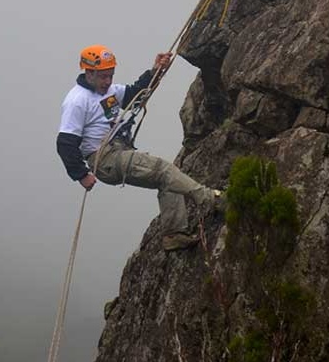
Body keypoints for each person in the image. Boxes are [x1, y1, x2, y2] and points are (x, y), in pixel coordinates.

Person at [56, 44, 222, 251]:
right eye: (103, 77)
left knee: (167, 179)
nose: (107, 82)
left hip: (120, 151)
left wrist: (156, 70)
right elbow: (65, 143)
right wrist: (81, 174)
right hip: (105, 158)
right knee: (163, 169)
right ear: (89, 72)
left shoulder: (110, 91)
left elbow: (137, 93)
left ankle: (175, 234)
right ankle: (211, 199)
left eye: (110, 76)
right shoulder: (77, 101)